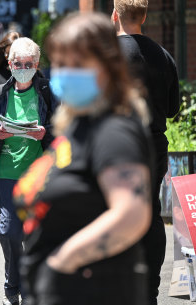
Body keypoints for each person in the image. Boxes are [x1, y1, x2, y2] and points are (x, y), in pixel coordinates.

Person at [13, 13, 153, 305]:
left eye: (77, 64)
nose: (65, 72)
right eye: (61, 63)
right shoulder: (79, 126)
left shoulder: (113, 130)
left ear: (108, 68)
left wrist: (62, 261)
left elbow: (131, 214)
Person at [0, 37, 57, 305]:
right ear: (9, 65)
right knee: (8, 231)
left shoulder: (47, 92)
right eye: (18, 63)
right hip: (7, 173)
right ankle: (13, 285)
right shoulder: (0, 93)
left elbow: (64, 132)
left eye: (29, 64)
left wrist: (45, 134)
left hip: (40, 175)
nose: (23, 68)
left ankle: (34, 286)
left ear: (37, 64)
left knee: (37, 233)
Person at [112, 1, 180, 303]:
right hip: (153, 145)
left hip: (115, 146)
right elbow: (173, 108)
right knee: (150, 212)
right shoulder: (163, 55)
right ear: (145, 16)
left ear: (114, 15)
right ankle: (150, 288)